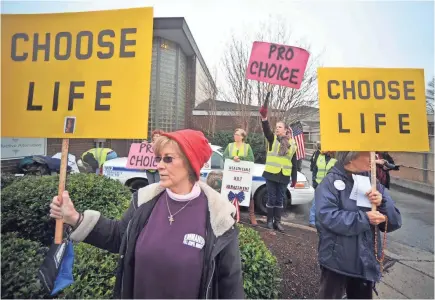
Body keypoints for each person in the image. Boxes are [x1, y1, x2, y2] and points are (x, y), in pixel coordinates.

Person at [49, 129, 244, 299]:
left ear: (190, 163)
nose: (159, 165)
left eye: (168, 159)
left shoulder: (219, 217)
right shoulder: (144, 201)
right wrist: (74, 218)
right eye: (158, 158)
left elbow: (230, 285)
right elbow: (119, 236)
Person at [315, 151, 402, 299]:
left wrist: (382, 203)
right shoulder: (330, 182)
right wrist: (364, 219)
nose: (374, 158)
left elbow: (395, 222)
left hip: (365, 263)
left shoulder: (373, 183)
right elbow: (327, 217)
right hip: (336, 262)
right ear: (351, 156)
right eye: (368, 154)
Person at [259, 91, 298, 231]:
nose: (277, 129)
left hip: (284, 176)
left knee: (280, 199)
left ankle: (278, 222)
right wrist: (264, 118)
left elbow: (294, 164)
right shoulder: (272, 139)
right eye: (276, 127)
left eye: (280, 127)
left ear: (286, 130)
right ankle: (269, 222)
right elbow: (266, 129)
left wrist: (294, 178)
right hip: (271, 174)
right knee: (271, 198)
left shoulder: (293, 144)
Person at [223, 128, 257, 225]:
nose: (235, 136)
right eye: (235, 134)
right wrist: (232, 158)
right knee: (229, 192)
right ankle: (228, 214)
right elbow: (224, 157)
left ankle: (252, 215)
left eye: (238, 134)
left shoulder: (247, 147)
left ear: (242, 137)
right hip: (231, 176)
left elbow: (251, 159)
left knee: (248, 193)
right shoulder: (230, 146)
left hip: (244, 176)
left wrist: (240, 158)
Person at [308, 151, 336, 227]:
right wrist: (314, 182)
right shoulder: (319, 156)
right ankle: (312, 220)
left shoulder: (336, 159)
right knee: (315, 203)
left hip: (330, 185)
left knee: (327, 204)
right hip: (319, 183)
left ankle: (323, 221)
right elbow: (315, 170)